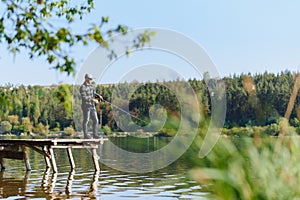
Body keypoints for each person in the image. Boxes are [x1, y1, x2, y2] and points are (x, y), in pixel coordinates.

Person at [80, 73, 103, 139]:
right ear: (86, 79)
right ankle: (86, 135)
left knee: (96, 120)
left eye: (91, 79)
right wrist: (93, 100)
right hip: (86, 106)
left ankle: (95, 135)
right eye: (90, 79)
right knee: (86, 120)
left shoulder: (91, 86)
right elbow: (84, 97)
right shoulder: (82, 87)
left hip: (92, 106)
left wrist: (98, 96)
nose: (91, 80)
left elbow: (94, 93)